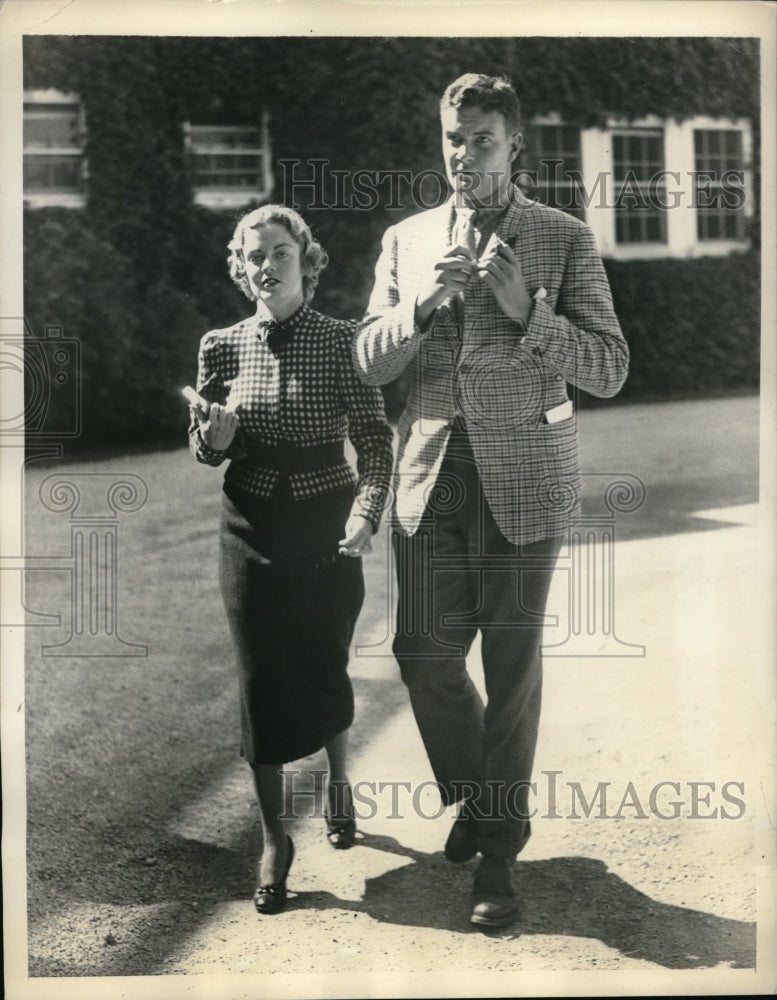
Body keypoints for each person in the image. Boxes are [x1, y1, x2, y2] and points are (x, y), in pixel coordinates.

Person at [353, 73, 629, 929]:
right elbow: (368, 360)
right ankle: (483, 801)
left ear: (513, 145)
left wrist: (527, 312)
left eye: (480, 138)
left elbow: (609, 368)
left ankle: (497, 863)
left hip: (526, 477)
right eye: (451, 137)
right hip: (430, 473)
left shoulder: (561, 238)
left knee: (510, 673)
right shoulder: (406, 241)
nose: (462, 153)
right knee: (423, 655)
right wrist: (420, 307)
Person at [188, 204, 393, 915]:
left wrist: (366, 516)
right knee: (259, 677)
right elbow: (206, 446)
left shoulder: (345, 342)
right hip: (246, 525)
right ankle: (275, 838)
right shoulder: (220, 346)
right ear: (239, 270)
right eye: (252, 255)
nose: (265, 264)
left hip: (325, 525)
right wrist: (215, 437)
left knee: (320, 660)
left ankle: (339, 781)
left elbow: (374, 441)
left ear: (307, 259)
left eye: (279, 251)